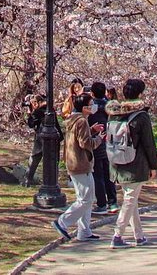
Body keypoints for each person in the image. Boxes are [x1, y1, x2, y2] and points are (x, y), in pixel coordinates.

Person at [106, 77, 157, 249]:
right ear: (140, 94)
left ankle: (139, 235)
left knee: (131, 199)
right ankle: (117, 235)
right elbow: (148, 143)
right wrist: (153, 166)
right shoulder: (141, 116)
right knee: (130, 199)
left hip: (117, 161)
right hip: (135, 164)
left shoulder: (114, 113)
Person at [52, 91, 104, 242]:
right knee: (85, 199)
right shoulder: (81, 121)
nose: (93, 107)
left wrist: (92, 130)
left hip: (78, 163)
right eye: (90, 105)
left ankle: (84, 231)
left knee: (88, 197)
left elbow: (79, 137)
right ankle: (63, 222)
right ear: (84, 107)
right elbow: (85, 143)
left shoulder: (75, 119)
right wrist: (98, 139)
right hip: (80, 164)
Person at [89, 81, 118, 214]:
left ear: (92, 93)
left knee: (98, 175)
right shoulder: (109, 105)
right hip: (109, 142)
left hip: (96, 142)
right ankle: (113, 202)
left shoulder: (92, 108)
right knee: (109, 174)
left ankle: (101, 203)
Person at [24, 93, 47, 186]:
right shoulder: (49, 110)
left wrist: (30, 112)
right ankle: (50, 181)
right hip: (52, 139)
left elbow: (31, 124)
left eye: (34, 103)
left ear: (38, 102)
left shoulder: (39, 111)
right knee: (50, 162)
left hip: (41, 139)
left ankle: (28, 180)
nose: (33, 105)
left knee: (34, 158)